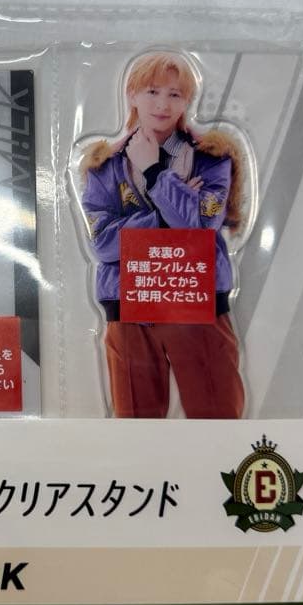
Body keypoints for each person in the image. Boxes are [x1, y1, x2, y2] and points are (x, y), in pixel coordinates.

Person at [80, 51, 246, 419]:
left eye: (175, 94)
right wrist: (168, 212)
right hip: (130, 304)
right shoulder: (103, 165)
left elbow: (202, 228)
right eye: (152, 91)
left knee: (218, 418)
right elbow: (102, 244)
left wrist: (155, 172)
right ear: (132, 95)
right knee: (137, 427)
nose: (162, 104)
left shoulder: (212, 158)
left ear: (188, 101)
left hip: (197, 299)